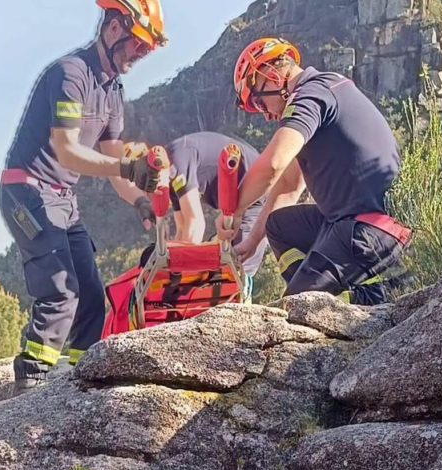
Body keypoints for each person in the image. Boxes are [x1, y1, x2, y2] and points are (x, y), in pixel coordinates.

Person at [0, 0, 168, 393]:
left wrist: (139, 198)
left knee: (92, 299)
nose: (141, 55)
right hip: (26, 191)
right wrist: (128, 169)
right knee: (62, 291)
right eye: (138, 45)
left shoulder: (113, 90)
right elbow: (68, 151)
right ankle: (30, 386)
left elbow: (112, 158)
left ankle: (79, 386)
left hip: (64, 201)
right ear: (114, 30)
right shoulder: (70, 74)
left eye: (147, 49)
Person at [217, 37, 411, 306]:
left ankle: (376, 296)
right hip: (351, 223)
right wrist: (252, 241)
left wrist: (235, 210)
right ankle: (315, 293)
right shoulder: (325, 89)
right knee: (279, 226)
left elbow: (274, 162)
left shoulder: (312, 94)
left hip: (366, 229)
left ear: (272, 76)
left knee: (294, 313)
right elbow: (288, 186)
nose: (266, 115)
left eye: (260, 103)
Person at [151, 132, 270, 286]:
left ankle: (243, 305)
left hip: (255, 191)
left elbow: (196, 223)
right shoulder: (167, 173)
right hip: (232, 200)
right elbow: (182, 226)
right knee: (220, 272)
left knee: (238, 266)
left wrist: (179, 275)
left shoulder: (178, 162)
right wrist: (168, 269)